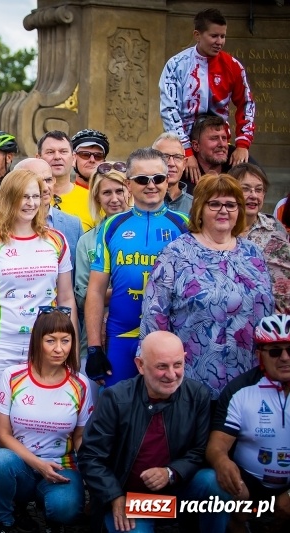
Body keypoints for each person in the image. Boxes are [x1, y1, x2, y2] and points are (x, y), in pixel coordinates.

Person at [0, 169, 78, 502]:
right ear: (8, 198)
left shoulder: (56, 240)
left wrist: (68, 347)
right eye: (23, 196)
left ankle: (38, 495)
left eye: (35, 196)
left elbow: (67, 298)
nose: (30, 203)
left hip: (45, 347)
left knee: (35, 424)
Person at [79, 331, 229, 533]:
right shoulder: (115, 398)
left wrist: (170, 473)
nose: (171, 374)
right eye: (162, 366)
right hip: (130, 500)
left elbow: (199, 451)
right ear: (140, 365)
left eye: (177, 364)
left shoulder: (197, 395)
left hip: (177, 496)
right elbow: (90, 457)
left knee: (213, 482)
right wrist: (114, 496)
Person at [140, 173, 274, 400]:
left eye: (231, 204)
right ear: (200, 209)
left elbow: (268, 314)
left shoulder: (253, 254)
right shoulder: (176, 253)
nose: (224, 210)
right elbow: (154, 317)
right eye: (215, 204)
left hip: (251, 382)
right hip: (193, 384)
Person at [85, 148, 189, 387]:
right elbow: (96, 291)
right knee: (117, 407)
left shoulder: (184, 225)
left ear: (167, 181)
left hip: (169, 338)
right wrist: (94, 348)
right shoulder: (112, 225)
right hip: (120, 338)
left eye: (158, 178)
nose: (151, 185)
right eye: (142, 179)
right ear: (129, 185)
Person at [0, 308, 92, 533]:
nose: (59, 349)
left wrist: (93, 474)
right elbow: (2, 435)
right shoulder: (12, 376)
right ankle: (2, 519)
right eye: (50, 340)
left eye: (65, 341)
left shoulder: (81, 384)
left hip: (61, 466)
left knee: (65, 508)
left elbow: (80, 437)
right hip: (21, 464)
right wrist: (39, 465)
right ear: (37, 341)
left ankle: (51, 509)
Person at [206, 314, 290, 533]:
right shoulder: (240, 390)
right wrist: (222, 462)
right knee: (214, 482)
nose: (285, 357)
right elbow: (216, 446)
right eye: (275, 351)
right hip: (250, 484)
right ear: (259, 354)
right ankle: (237, 524)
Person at [159, 8, 255, 184]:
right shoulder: (176, 65)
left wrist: (243, 144)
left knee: (253, 172)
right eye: (214, 36)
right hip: (183, 144)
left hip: (219, 142)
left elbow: (247, 103)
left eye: (223, 36)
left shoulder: (233, 66)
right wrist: (186, 151)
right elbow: (169, 110)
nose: (220, 42)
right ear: (197, 35)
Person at [73, 161, 131, 388]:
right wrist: (127, 289)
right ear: (97, 197)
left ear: (130, 191)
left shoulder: (146, 235)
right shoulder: (87, 241)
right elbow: (82, 297)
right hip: (95, 341)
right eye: (107, 193)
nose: (114, 198)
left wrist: (101, 292)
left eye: (119, 191)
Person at [231, 163, 290, 313]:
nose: (254, 195)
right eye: (245, 189)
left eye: (259, 190)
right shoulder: (221, 228)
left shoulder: (275, 228)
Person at [15, 157, 83, 269]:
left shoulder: (74, 225)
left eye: (48, 180)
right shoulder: (2, 225)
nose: (45, 188)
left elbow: (79, 273)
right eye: (37, 181)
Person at [36, 131, 93, 232]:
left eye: (63, 151)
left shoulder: (92, 200)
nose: (57, 157)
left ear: (74, 158)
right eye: (50, 152)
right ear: (38, 158)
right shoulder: (28, 199)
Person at [153, 132, 193, 214]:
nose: (171, 163)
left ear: (184, 164)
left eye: (177, 157)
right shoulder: (139, 204)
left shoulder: (196, 206)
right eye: (164, 157)